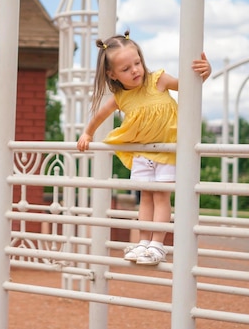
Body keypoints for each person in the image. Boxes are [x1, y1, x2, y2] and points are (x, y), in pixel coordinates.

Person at [77, 31, 211, 265]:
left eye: (137, 63)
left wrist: (205, 72)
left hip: (167, 151)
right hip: (141, 152)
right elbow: (100, 114)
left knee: (161, 197)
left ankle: (157, 245)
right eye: (126, 69)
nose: (135, 70)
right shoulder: (121, 97)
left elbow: (189, 86)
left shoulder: (158, 80)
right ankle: (143, 243)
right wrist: (88, 132)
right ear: (112, 74)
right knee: (145, 198)